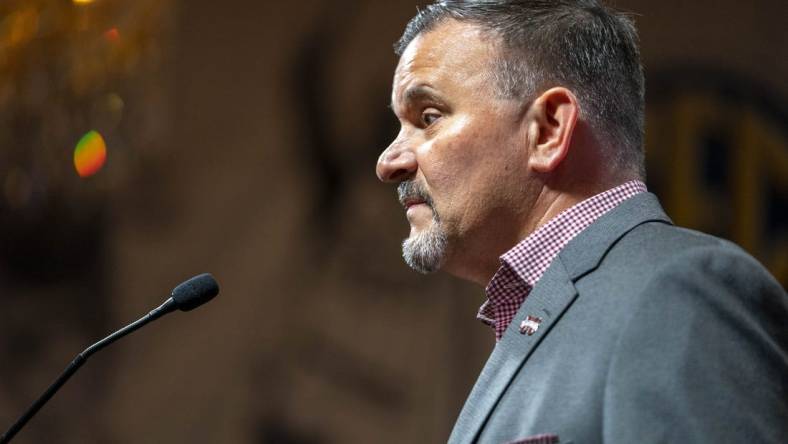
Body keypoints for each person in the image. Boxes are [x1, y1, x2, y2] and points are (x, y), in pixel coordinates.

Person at [375, 1, 788, 443]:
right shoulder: (545, 316)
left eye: (429, 117)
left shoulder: (680, 292)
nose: (388, 162)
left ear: (549, 129)